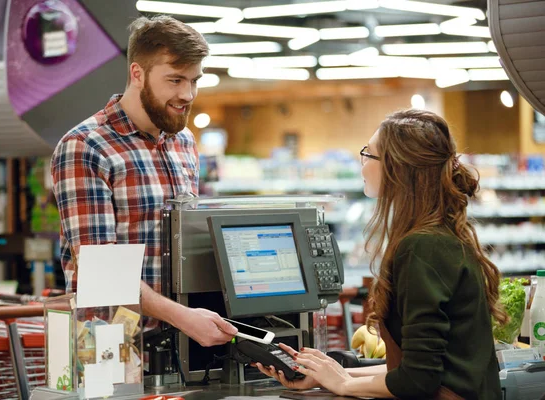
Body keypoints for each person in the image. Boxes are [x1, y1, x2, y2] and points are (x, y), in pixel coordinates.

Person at [257, 109, 506, 399]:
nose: (362, 164)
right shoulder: (440, 237)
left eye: (368, 154)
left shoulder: (421, 248)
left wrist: (345, 385)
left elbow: (419, 380)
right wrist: (333, 374)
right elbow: (422, 369)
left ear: (397, 169)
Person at [50, 15, 237, 347]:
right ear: (137, 74)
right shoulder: (86, 146)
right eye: (175, 80)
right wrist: (184, 316)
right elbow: (100, 268)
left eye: (194, 81)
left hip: (180, 340)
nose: (187, 94)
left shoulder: (184, 143)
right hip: (110, 345)